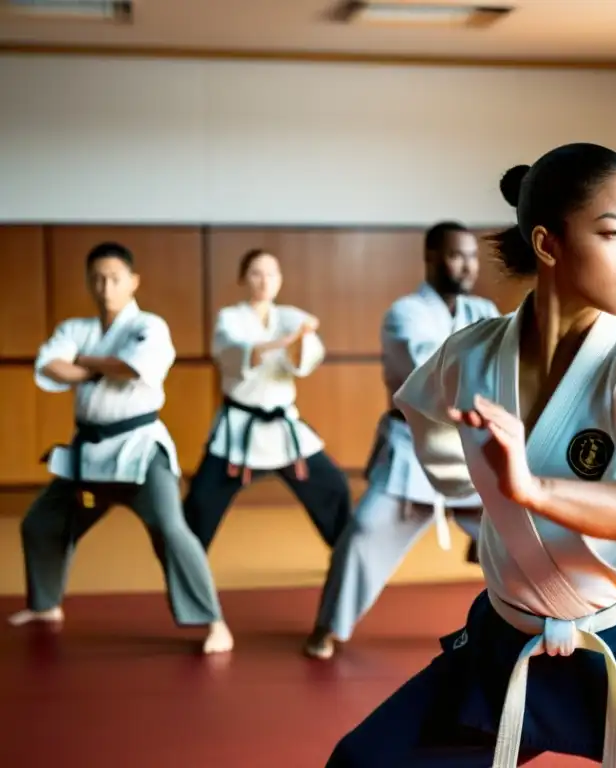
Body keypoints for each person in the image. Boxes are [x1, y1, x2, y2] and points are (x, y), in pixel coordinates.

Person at [323, 143, 616, 767]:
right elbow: (423, 416)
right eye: (613, 233)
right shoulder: (469, 356)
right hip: (506, 644)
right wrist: (476, 488)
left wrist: (530, 490)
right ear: (548, 245)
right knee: (360, 762)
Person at [8, 242, 232, 655]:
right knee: (41, 522)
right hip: (88, 452)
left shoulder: (149, 326)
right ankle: (45, 605)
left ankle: (213, 620)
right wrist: (101, 364)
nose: (105, 286)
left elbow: (134, 368)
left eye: (114, 278)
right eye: (96, 278)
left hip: (140, 451)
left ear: (133, 281)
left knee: (170, 528)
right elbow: (49, 364)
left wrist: (86, 362)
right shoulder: (76, 327)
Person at [305, 222, 499, 660]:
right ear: (431, 257)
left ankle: (537, 624)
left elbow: (505, 369)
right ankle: (329, 625)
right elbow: (435, 371)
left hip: (471, 449)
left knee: (523, 531)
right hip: (414, 447)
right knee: (364, 532)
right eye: (455, 255)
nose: (466, 264)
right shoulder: (405, 313)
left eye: (471, 255)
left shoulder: (483, 309)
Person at [183, 249, 352, 650]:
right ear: (244, 278)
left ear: (279, 279)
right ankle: (201, 610)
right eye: (255, 273)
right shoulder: (230, 318)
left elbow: (303, 361)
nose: (263, 280)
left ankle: (345, 591)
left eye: (270, 273)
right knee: (197, 513)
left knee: (336, 490)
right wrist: (294, 336)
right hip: (238, 433)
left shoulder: (290, 315)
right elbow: (245, 353)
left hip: (283, 431)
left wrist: (298, 339)